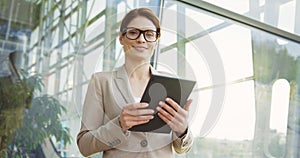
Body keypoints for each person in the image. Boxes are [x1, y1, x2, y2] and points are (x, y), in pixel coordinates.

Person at [77, 8, 193, 158]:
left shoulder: (172, 83)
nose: (141, 39)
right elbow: (84, 146)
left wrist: (182, 130)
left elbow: (182, 148)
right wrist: (119, 125)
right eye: (133, 32)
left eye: (149, 34)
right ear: (121, 38)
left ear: (156, 41)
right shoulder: (101, 82)